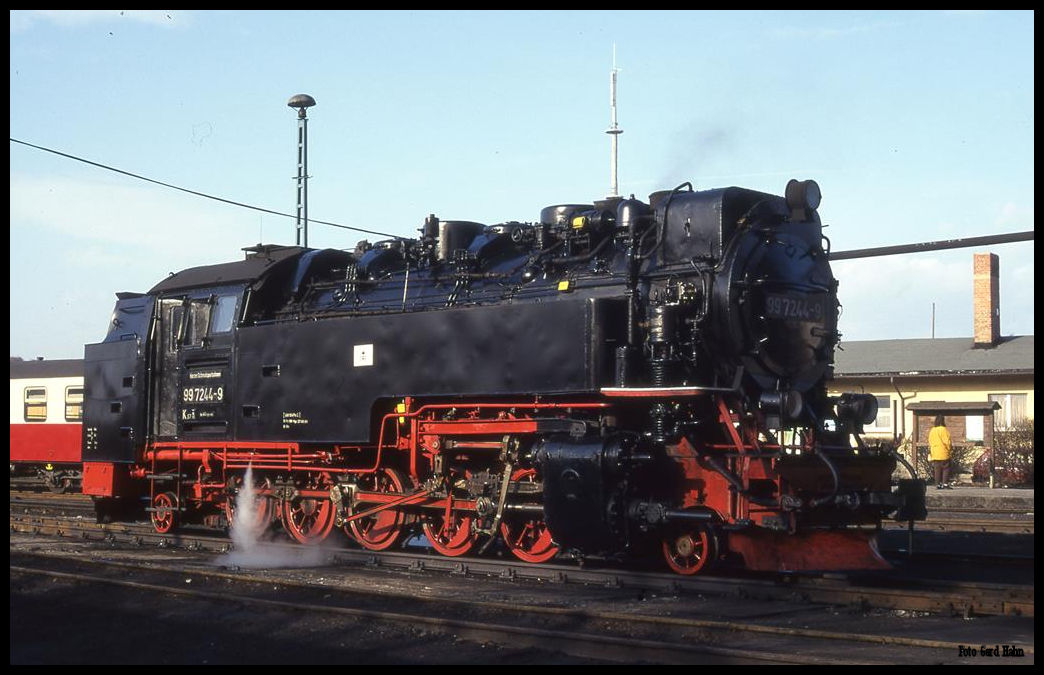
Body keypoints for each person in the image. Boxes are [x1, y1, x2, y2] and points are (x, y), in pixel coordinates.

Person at [928, 414, 953, 489]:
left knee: (937, 469)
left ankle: (937, 484)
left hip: (935, 452)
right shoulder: (944, 429)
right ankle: (945, 483)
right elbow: (947, 441)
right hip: (943, 452)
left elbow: (930, 441)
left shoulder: (932, 430)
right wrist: (949, 449)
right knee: (946, 468)